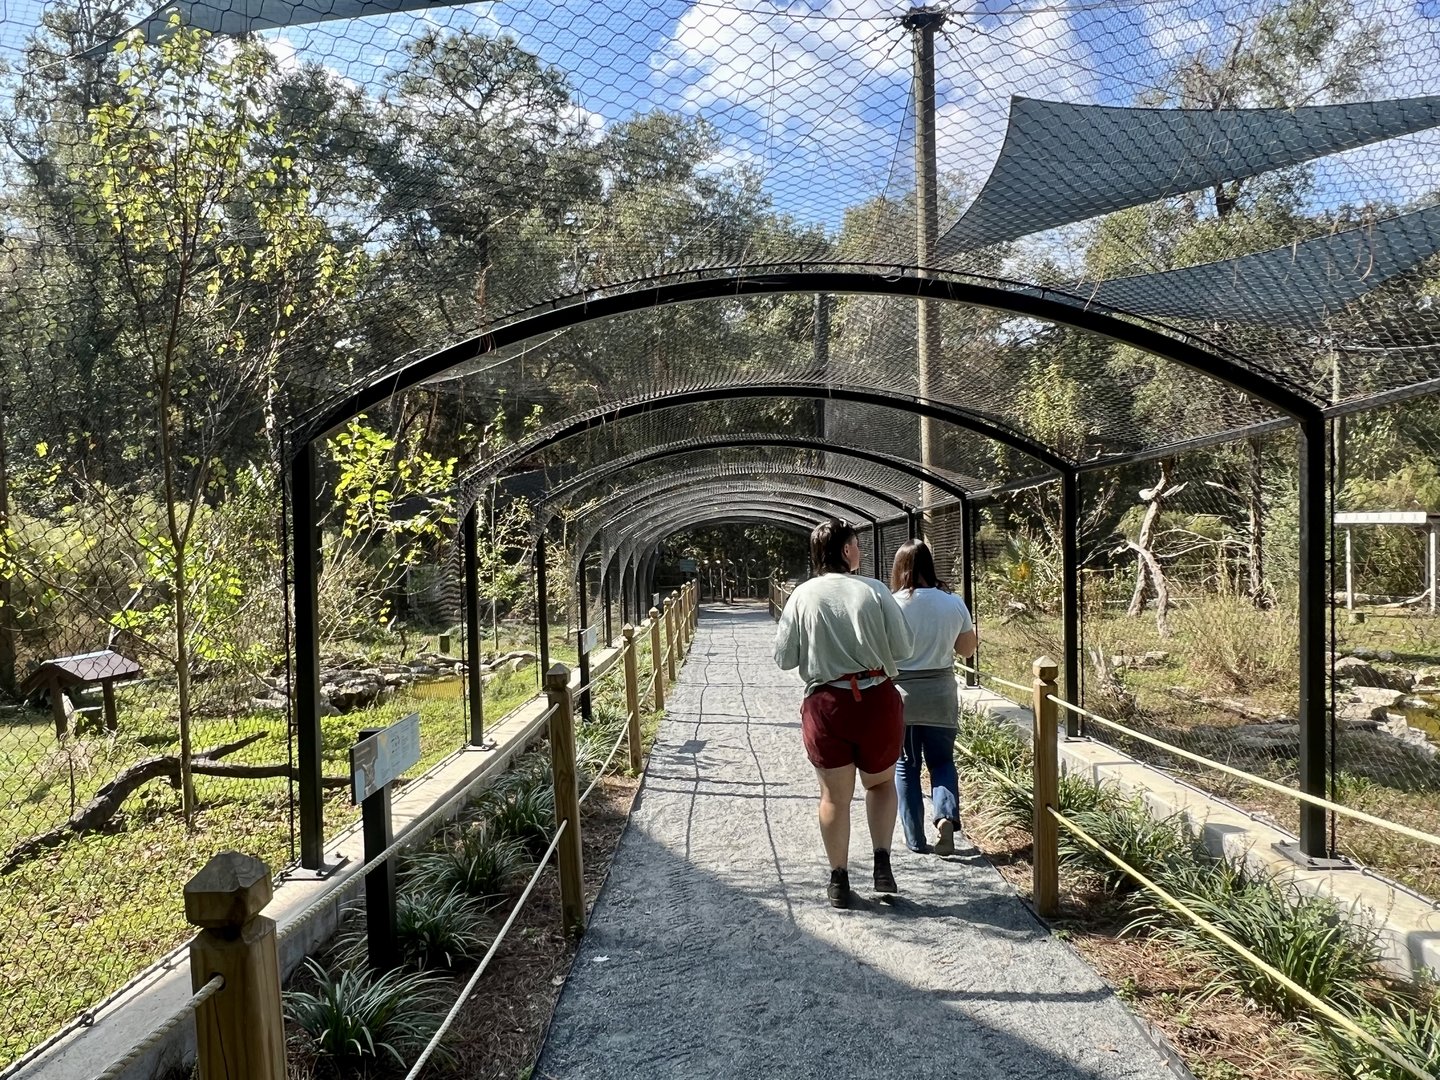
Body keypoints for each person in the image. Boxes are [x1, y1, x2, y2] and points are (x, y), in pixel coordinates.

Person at [774, 518, 915, 909]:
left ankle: (838, 878)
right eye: (857, 544)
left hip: (826, 704)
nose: (860, 551)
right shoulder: (874, 590)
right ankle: (882, 861)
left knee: (834, 795)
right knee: (880, 784)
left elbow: (784, 658)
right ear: (847, 550)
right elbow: (903, 648)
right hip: (876, 701)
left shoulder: (802, 595)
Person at [889, 540, 977, 856]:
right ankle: (946, 820)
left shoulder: (891, 604)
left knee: (907, 766)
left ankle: (914, 838)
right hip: (941, 693)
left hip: (902, 697)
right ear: (930, 565)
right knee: (942, 762)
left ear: (899, 569)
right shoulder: (952, 603)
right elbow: (967, 649)